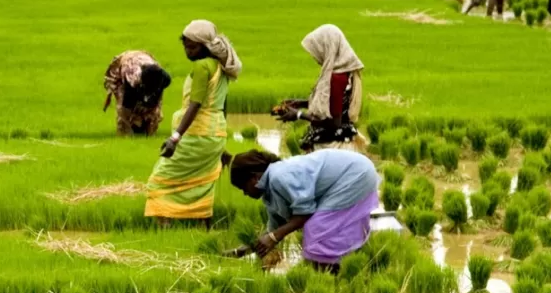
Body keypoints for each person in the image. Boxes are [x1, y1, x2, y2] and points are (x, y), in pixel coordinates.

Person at [144, 20, 240, 223]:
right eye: (186, 46)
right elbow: (222, 105)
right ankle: (202, 228)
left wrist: (175, 138)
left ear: (205, 46)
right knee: (201, 182)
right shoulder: (222, 68)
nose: (188, 51)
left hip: (197, 133)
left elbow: (195, 104)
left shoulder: (202, 66)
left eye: (193, 47)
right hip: (214, 135)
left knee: (159, 181)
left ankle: (165, 229)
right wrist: (220, 143)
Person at [227, 148, 380, 269]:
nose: (245, 193)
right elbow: (274, 230)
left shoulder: (278, 177)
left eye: (243, 188)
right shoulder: (270, 194)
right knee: (322, 230)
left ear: (254, 178)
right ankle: (336, 271)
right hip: (352, 173)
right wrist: (243, 250)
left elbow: (305, 214)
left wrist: (274, 237)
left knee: (316, 229)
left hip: (355, 174)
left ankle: (326, 277)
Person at [272, 25, 364, 152]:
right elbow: (332, 105)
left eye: (318, 50)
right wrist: (301, 103)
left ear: (328, 48)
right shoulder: (347, 72)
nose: (315, 57)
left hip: (332, 148)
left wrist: (299, 115)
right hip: (342, 143)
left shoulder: (336, 78)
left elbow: (334, 123)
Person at [104, 51, 171, 136]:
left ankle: (146, 126)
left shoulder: (164, 78)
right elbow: (126, 105)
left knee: (152, 107)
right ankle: (127, 131)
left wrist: (149, 104)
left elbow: (156, 99)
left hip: (144, 60)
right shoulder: (133, 79)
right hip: (125, 64)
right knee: (124, 103)